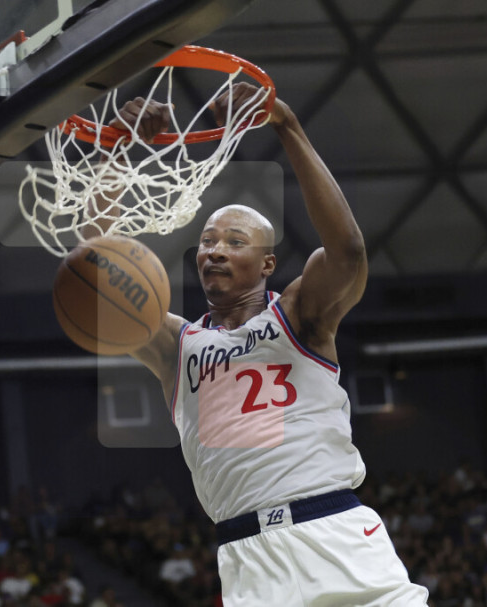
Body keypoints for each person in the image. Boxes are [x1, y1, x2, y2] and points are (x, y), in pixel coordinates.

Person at [100, 83, 430, 606]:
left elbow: (347, 251)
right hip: (247, 558)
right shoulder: (176, 345)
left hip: (334, 535)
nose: (215, 250)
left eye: (235, 242)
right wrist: (117, 151)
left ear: (267, 264)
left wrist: (286, 124)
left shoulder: (299, 314)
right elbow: (99, 280)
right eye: (207, 241)